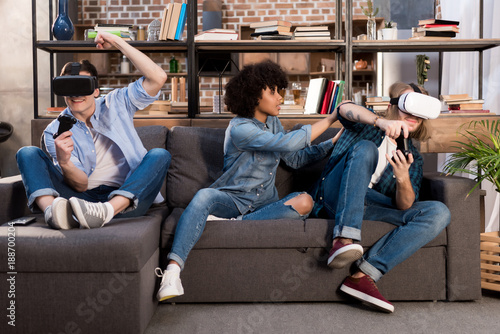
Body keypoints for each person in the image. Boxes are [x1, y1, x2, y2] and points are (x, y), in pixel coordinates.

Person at [155, 60, 343, 301]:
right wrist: (330, 118)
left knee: (305, 201)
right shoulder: (239, 128)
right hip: (232, 199)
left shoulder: (273, 123)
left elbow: (294, 159)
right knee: (204, 195)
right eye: (272, 91)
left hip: (265, 203)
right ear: (255, 94)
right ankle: (172, 273)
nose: (279, 98)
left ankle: (238, 222)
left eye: (279, 91)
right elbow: (285, 144)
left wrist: (331, 143)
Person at [309, 82, 451, 313]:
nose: (414, 115)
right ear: (391, 106)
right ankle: (344, 239)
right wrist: (381, 122)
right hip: (334, 197)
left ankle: (363, 275)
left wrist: (402, 177)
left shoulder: (412, 155)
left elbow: (404, 205)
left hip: (367, 205)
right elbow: (344, 107)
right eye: (408, 106)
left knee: (438, 212)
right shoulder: (366, 127)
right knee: (365, 148)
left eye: (419, 111)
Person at [16, 32, 170, 230]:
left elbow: (158, 77)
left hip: (125, 199)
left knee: (160, 155)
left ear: (96, 90)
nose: (76, 94)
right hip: (81, 201)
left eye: (83, 86)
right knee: (27, 153)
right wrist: (64, 162)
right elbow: (80, 185)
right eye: (69, 86)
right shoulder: (54, 131)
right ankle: (52, 213)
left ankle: (105, 212)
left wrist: (117, 42)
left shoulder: (117, 103)